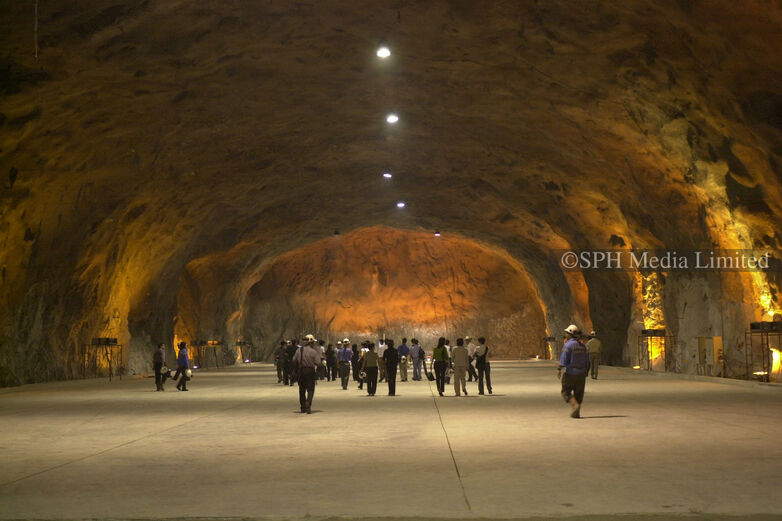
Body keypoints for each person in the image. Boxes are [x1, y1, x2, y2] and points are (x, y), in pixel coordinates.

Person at [558, 325, 590, 418]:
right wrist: (586, 371)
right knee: (579, 393)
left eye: (567, 333)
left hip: (570, 373)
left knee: (566, 391)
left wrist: (559, 369)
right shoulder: (583, 346)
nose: (566, 334)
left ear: (570, 334)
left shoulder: (568, 345)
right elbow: (587, 360)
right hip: (581, 374)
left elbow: (564, 358)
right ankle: (576, 412)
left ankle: (575, 406)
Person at [294, 335, 321, 414]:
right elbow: (318, 362)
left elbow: (293, 360)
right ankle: (308, 403)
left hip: (301, 371)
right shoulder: (313, 351)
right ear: (311, 342)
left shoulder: (299, 350)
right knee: (310, 389)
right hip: (310, 371)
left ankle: (302, 407)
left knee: (301, 390)